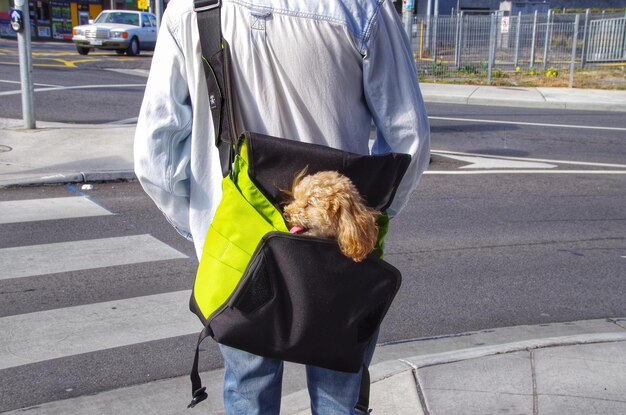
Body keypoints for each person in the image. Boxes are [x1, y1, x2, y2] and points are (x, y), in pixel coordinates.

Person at [134, 0, 430, 413]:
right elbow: (408, 141)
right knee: (337, 394)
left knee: (248, 388)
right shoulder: (363, 8)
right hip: (335, 248)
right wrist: (364, 223)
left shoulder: (189, 7)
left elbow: (156, 152)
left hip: (236, 246)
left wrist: (201, 227)